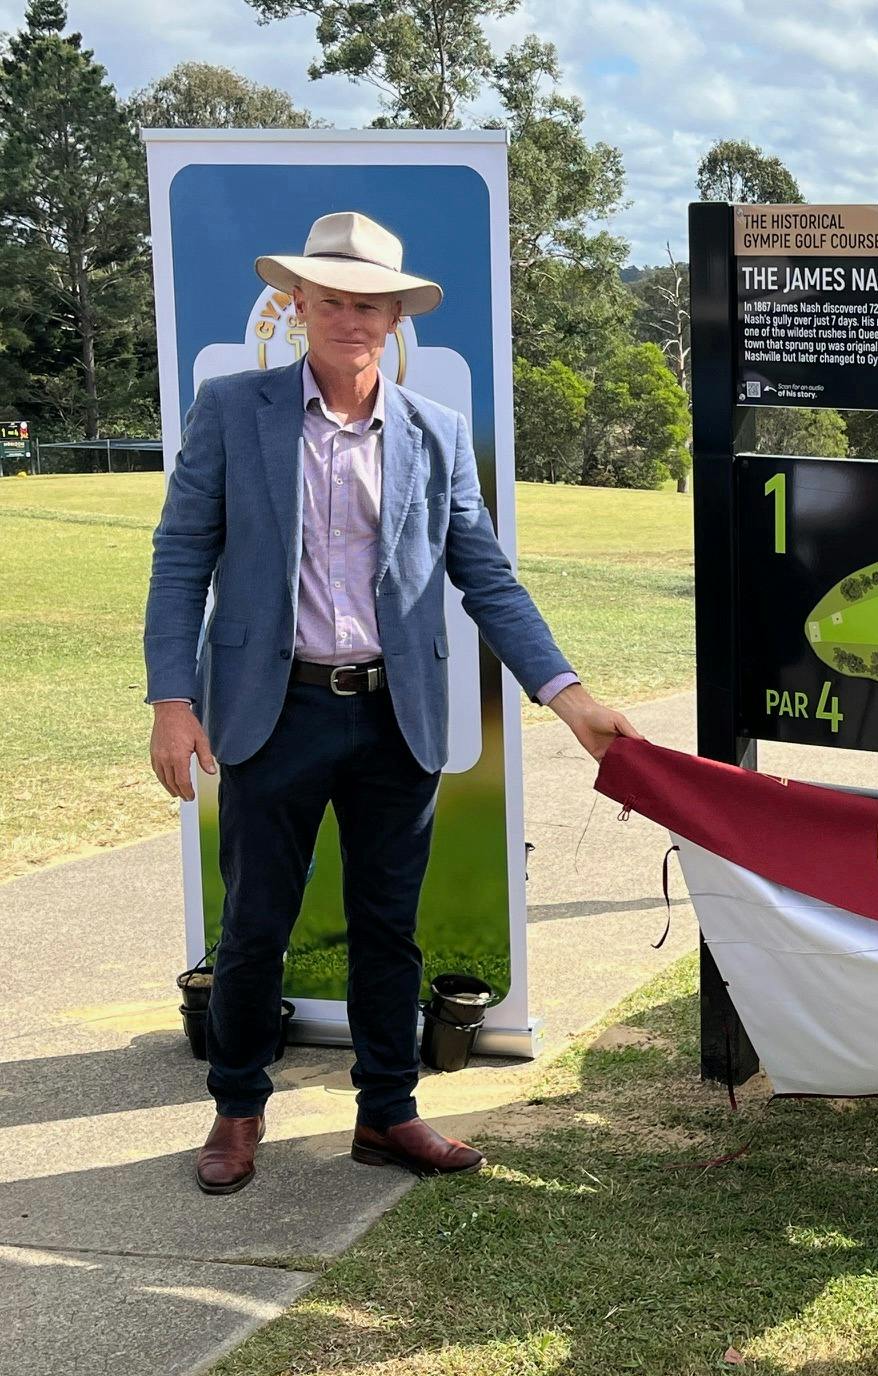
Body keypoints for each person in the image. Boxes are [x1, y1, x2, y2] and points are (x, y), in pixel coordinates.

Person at [144, 211, 638, 1196]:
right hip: (270, 712)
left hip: (392, 715)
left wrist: (569, 696)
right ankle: (237, 1107)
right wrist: (171, 698)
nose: (351, 319)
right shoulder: (232, 409)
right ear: (299, 305)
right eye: (331, 300)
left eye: (369, 305)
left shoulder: (434, 433)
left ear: (395, 318)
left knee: (388, 929)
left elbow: (486, 578)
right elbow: (181, 556)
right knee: (254, 929)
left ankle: (387, 1113)